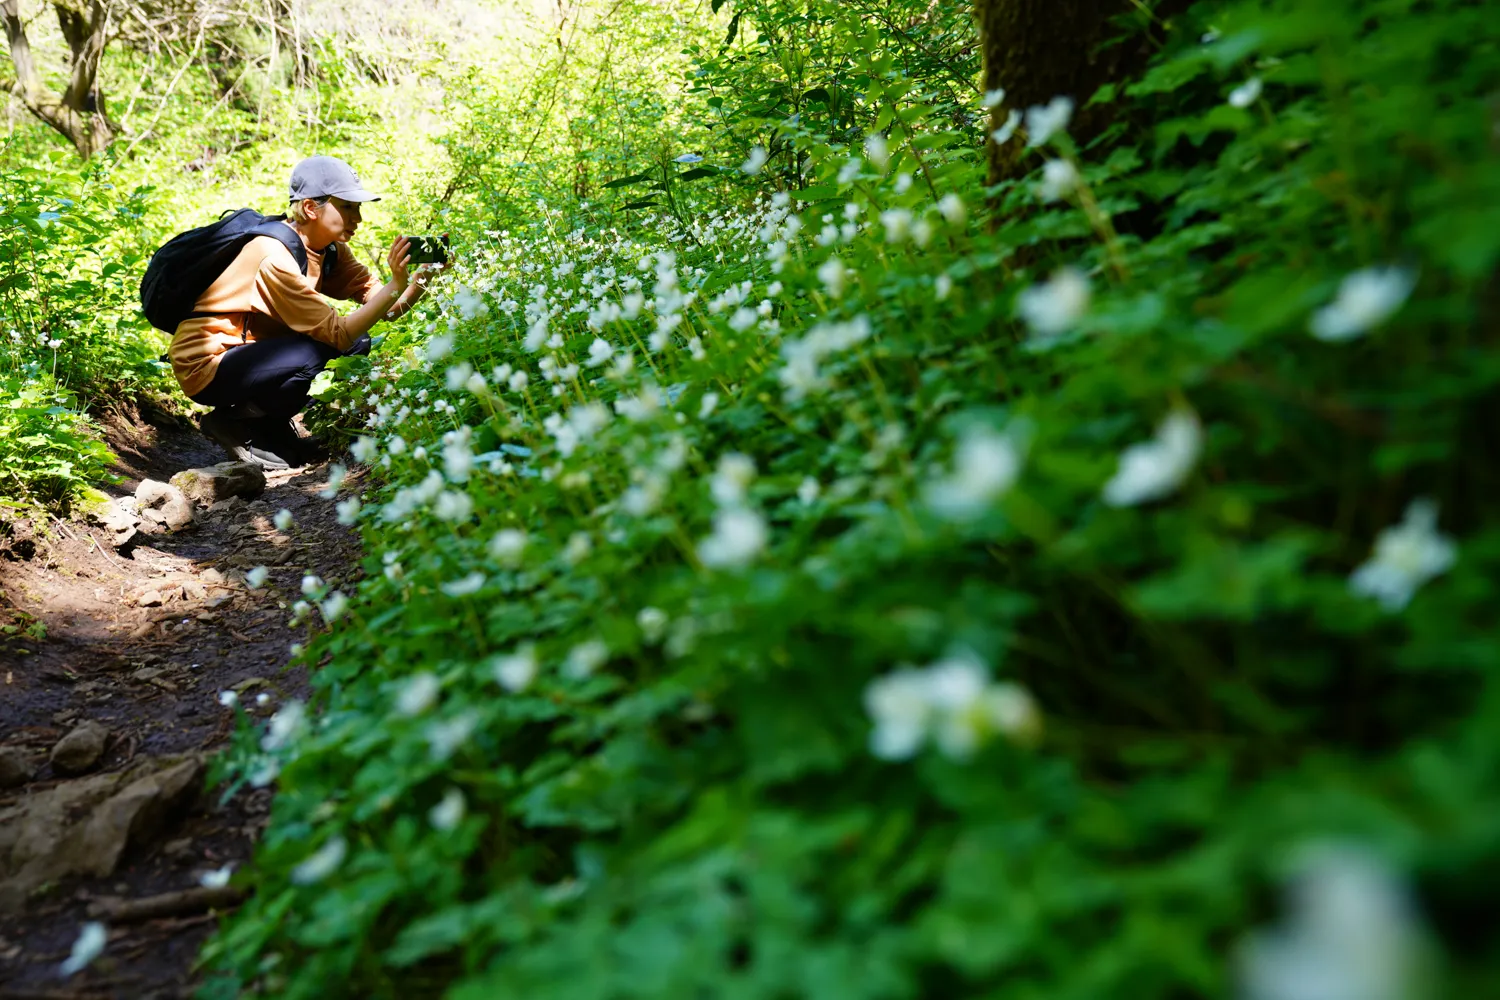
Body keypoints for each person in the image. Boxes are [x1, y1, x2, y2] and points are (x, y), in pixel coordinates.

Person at [167, 155, 431, 468]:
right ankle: (235, 422)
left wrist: (421, 279)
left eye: (358, 207)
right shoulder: (273, 255)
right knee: (327, 349)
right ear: (310, 207)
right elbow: (339, 334)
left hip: (254, 356)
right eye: (347, 207)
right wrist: (396, 283)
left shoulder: (330, 250)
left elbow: (387, 308)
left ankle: (269, 428)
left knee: (356, 343)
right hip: (207, 364)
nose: (358, 218)